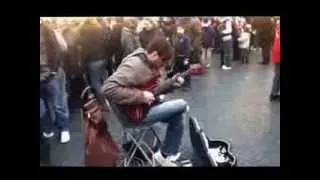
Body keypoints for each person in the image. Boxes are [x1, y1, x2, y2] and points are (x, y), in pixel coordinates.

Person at [102, 37, 188, 166]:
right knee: (182, 105)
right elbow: (108, 89)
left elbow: (153, 91)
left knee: (178, 113)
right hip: (135, 116)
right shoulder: (135, 66)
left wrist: (171, 84)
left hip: (143, 108)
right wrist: (141, 96)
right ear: (154, 54)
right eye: (163, 60)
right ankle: (166, 154)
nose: (164, 65)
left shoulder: (146, 63)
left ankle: (165, 155)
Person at [40, 22, 71, 143]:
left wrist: (53, 69)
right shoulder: (50, 30)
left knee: (58, 103)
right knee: (48, 104)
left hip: (52, 74)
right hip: (51, 73)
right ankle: (51, 128)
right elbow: (64, 47)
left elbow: (62, 49)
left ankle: (63, 128)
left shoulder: (49, 31)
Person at [270, 20, 280, 101]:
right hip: (278, 56)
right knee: (277, 75)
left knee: (277, 75)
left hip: (276, 56)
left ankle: (274, 93)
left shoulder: (276, 32)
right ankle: (275, 93)